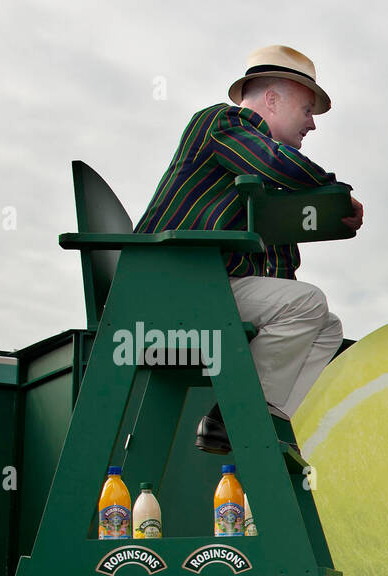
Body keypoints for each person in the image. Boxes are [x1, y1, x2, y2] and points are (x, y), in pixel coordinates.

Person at [135, 46, 364, 454]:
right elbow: (277, 163)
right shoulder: (221, 121)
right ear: (272, 99)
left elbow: (276, 271)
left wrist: (325, 210)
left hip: (201, 286)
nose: (312, 125)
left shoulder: (255, 185)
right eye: (307, 109)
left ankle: (269, 421)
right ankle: (236, 416)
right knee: (308, 303)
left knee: (325, 324)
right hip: (171, 286)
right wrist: (335, 193)